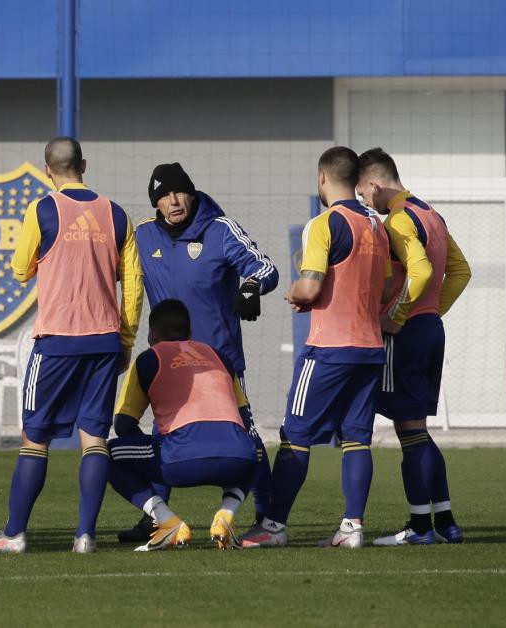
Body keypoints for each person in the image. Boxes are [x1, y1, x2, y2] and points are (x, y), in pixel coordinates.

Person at [0, 137, 143, 555]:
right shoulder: (116, 213)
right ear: (83, 164)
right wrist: (125, 340)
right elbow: (134, 286)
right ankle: (85, 535)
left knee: (35, 440)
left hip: (56, 341)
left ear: (47, 169)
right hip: (104, 340)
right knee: (95, 440)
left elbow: (19, 270)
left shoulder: (42, 209)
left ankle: (14, 534)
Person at [117, 162, 279, 546]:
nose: (173, 201)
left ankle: (269, 518)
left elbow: (266, 266)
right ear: (155, 203)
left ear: (191, 192)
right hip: (168, 367)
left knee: (248, 438)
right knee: (161, 434)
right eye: (163, 196)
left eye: (179, 192)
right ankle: (157, 517)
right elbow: (109, 266)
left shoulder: (220, 230)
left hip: (218, 365)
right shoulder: (142, 235)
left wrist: (251, 287)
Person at [241, 146, 390, 549]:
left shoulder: (324, 224)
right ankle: (352, 527)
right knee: (357, 438)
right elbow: (390, 286)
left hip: (329, 347)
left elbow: (310, 285)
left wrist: (296, 292)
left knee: (295, 434)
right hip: (371, 348)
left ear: (322, 178)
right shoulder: (377, 224)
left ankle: (272, 526)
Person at [357, 148, 471, 546]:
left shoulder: (399, 220)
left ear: (373, 184)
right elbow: (460, 271)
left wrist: (400, 314)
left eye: (362, 195)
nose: (364, 203)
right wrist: (429, 311)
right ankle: (447, 522)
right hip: (430, 330)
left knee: (409, 434)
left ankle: (420, 528)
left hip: (405, 335)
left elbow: (420, 269)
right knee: (419, 432)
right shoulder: (431, 215)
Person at [107, 300, 258, 551]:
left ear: (152, 334)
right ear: (190, 333)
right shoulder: (218, 356)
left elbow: (123, 425)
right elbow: (244, 416)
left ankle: (167, 522)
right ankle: (226, 514)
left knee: (104, 454)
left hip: (179, 461)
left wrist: (156, 448)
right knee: (255, 450)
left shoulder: (148, 359)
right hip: (237, 459)